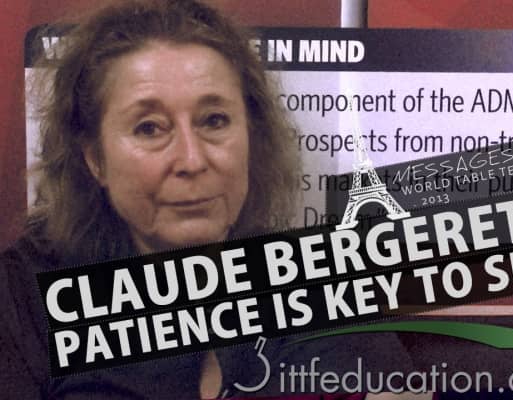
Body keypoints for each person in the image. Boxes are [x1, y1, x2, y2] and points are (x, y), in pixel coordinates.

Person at [1, 0, 419, 399]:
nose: (192, 160)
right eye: (149, 128)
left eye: (214, 121)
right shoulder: (21, 299)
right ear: (95, 158)